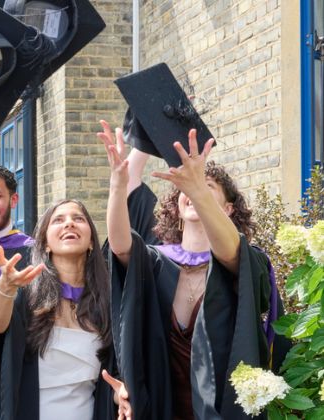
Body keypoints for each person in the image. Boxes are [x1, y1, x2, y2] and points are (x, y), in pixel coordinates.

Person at [99, 122, 280, 419]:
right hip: (162, 405)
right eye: (187, 189)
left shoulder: (245, 260)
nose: (194, 193)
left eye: (208, 188)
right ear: (178, 205)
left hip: (221, 408)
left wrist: (198, 189)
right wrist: (118, 186)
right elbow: (120, 246)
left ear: (228, 209)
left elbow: (231, 253)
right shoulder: (157, 261)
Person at [0, 199, 117, 420]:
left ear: (91, 241)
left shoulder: (106, 300)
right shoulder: (28, 295)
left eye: (78, 218)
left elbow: (116, 372)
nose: (69, 224)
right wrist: (6, 288)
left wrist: (119, 394)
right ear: (46, 243)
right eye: (58, 220)